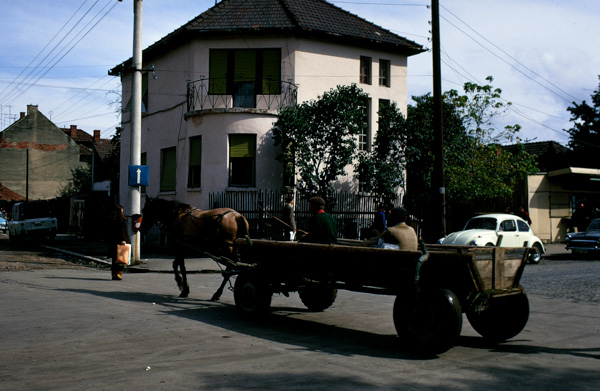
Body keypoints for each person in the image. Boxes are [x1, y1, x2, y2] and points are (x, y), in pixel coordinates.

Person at [107, 203, 130, 280]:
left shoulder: (111, 219)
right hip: (120, 241)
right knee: (122, 258)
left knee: (115, 259)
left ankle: (114, 273)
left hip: (114, 242)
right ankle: (118, 273)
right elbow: (122, 231)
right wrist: (123, 240)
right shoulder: (120, 219)